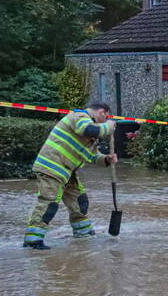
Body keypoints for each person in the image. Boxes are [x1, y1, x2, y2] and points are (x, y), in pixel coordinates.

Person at [24, 102, 117, 250]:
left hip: (67, 171)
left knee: (80, 202)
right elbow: (88, 129)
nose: (106, 121)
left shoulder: (91, 132)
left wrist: (106, 159)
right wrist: (109, 126)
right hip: (52, 167)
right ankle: (32, 241)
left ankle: (83, 234)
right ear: (101, 112)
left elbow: (92, 156)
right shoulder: (80, 116)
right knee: (49, 203)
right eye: (106, 117)